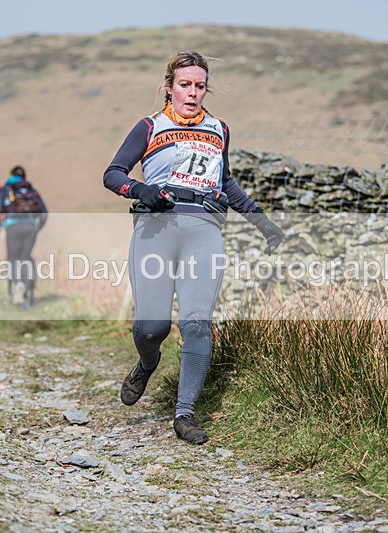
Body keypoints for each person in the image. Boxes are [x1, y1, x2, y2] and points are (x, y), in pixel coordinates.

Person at [102, 50, 285, 445]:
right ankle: (148, 363)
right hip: (156, 229)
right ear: (170, 88)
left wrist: (260, 219)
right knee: (152, 328)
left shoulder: (219, 129)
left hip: (204, 229)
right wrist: (140, 190)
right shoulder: (150, 126)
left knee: (198, 324)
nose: (192, 92)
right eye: (184, 85)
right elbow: (112, 174)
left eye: (199, 86)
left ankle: (184, 414)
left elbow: (226, 181)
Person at [0, 165, 48, 309]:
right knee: (26, 257)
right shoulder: (32, 190)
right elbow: (44, 213)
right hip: (30, 226)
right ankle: (28, 289)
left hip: (13, 227)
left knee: (13, 258)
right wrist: (37, 227)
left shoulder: (5, 190)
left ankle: (18, 284)